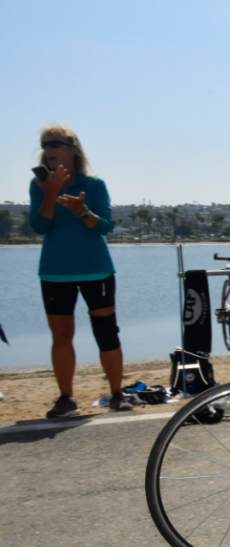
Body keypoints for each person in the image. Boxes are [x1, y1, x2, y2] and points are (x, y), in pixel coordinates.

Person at [29, 126, 132, 417]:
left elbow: (104, 226)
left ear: (72, 150)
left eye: (55, 143)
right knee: (61, 337)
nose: (49, 148)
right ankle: (66, 399)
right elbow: (40, 227)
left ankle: (117, 395)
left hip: (95, 270)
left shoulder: (94, 184)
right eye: (45, 144)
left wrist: (81, 210)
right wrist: (50, 194)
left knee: (106, 333)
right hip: (54, 272)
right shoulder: (38, 185)